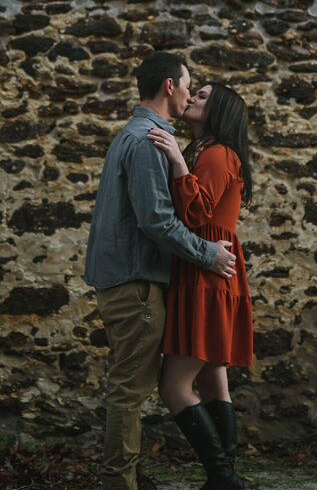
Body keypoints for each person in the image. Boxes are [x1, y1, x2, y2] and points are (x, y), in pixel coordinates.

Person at [85, 52, 239, 490]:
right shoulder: (149, 139)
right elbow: (157, 222)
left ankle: (135, 475)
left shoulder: (133, 135)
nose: (191, 93)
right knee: (130, 390)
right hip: (136, 283)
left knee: (134, 385)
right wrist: (208, 254)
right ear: (169, 86)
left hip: (127, 280)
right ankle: (121, 483)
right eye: (189, 84)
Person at [148, 82, 254, 490]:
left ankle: (224, 479)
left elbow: (195, 212)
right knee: (212, 379)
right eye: (195, 92)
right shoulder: (210, 151)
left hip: (207, 272)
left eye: (204, 96)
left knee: (174, 385)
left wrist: (176, 159)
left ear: (220, 112)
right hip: (208, 270)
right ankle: (224, 480)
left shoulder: (217, 153)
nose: (191, 98)